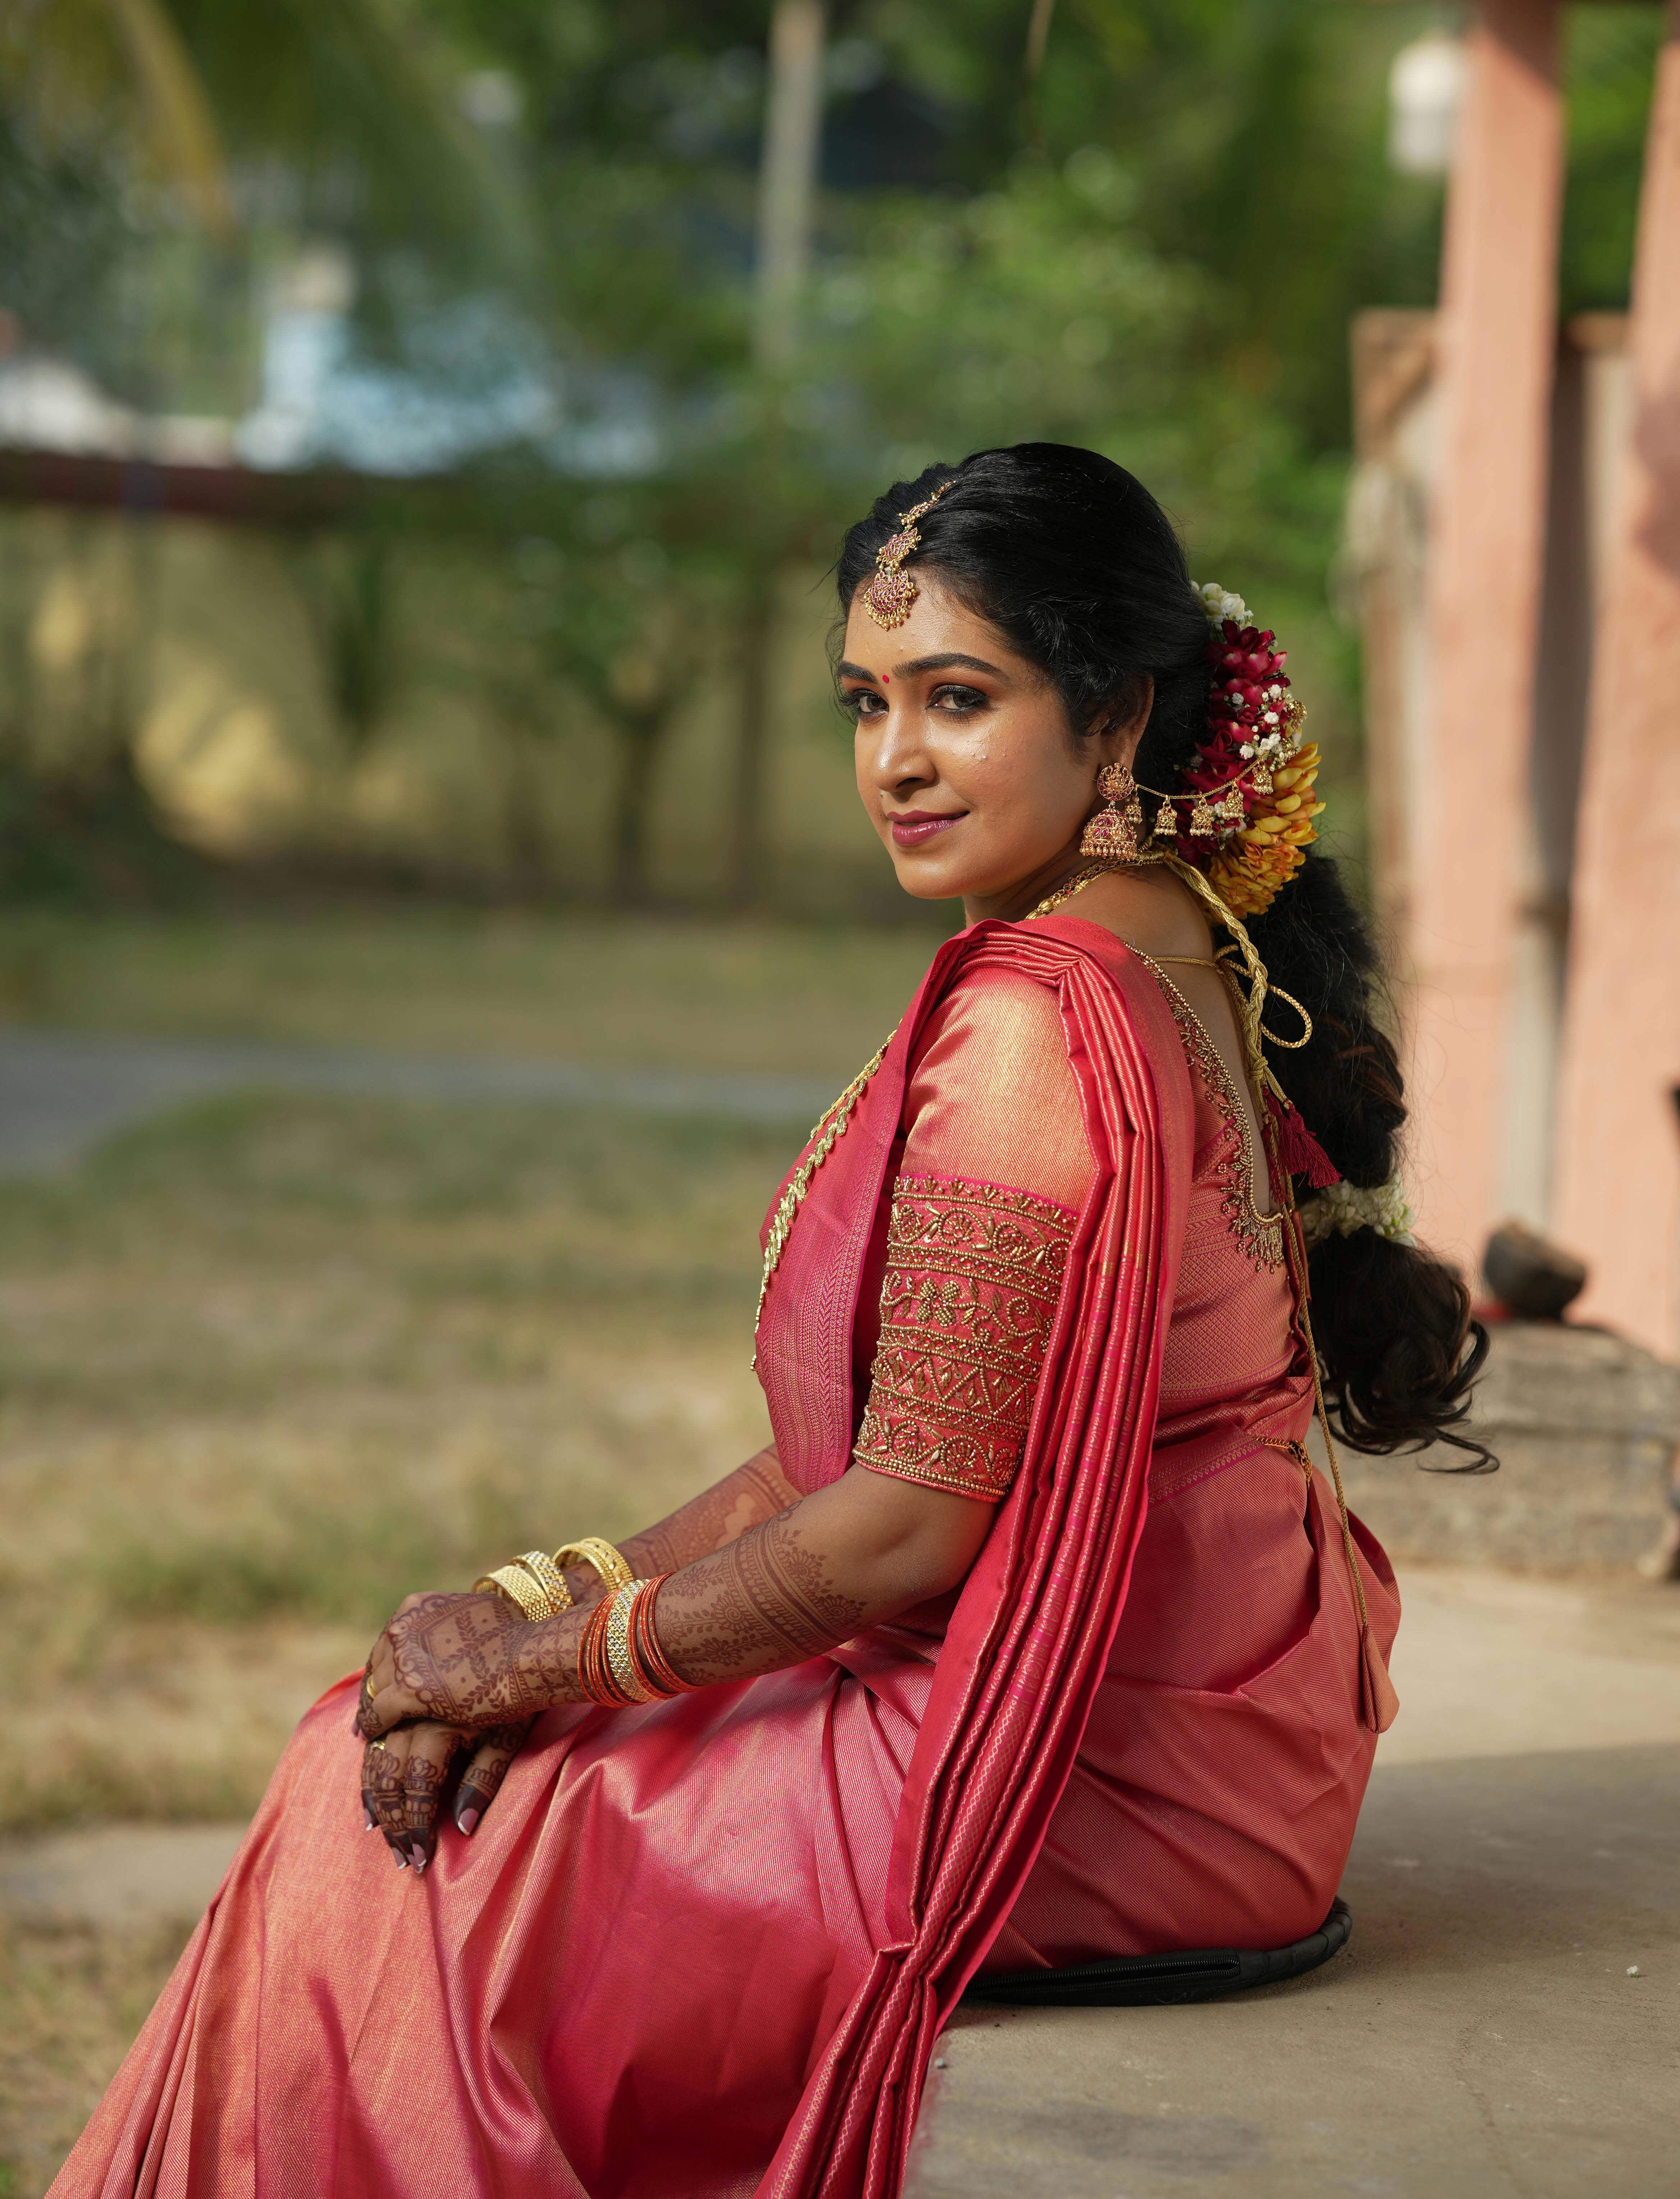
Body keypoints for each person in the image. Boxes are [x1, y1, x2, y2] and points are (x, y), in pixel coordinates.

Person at [54, 443, 1488, 2199]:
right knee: (436, 1726)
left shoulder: (1038, 1023)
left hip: (1084, 1774)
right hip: (1225, 1730)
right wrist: (549, 1597)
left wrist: (529, 1672)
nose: (893, 760)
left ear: (1115, 721)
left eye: (960, 699)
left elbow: (894, 1526)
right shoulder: (1182, 937)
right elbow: (879, 1448)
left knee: (377, 1826)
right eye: (863, 702)